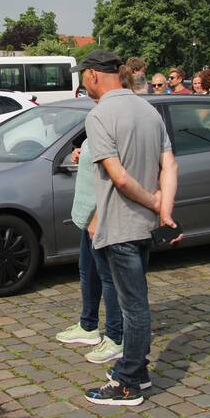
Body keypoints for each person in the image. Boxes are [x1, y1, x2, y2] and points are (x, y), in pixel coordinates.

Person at [74, 50, 178, 407]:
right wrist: (163, 208)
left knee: (133, 306)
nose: (82, 83)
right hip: (144, 227)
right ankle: (137, 370)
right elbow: (170, 165)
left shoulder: (99, 115)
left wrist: (154, 203)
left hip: (120, 227)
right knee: (136, 301)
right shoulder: (148, 110)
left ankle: (128, 382)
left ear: (93, 75)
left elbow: (118, 177)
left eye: (82, 76)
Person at [54, 138, 123, 365]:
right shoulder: (98, 123)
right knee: (88, 270)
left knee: (109, 277)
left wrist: (97, 216)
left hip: (101, 216)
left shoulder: (112, 124)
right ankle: (88, 326)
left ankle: (116, 338)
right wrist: (81, 151)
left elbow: (115, 176)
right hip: (90, 216)